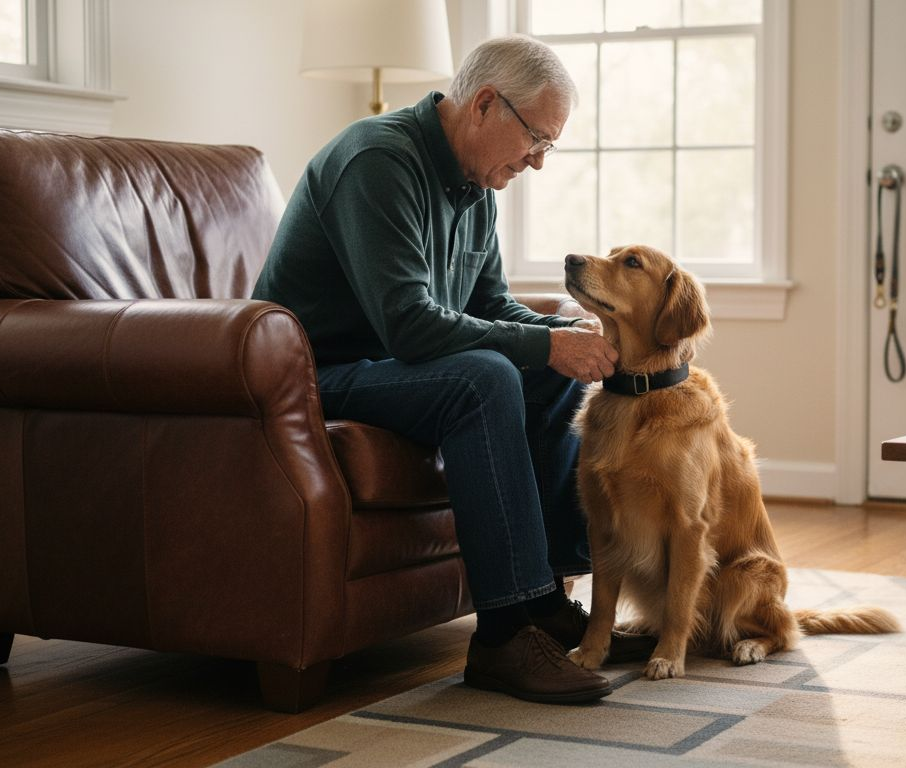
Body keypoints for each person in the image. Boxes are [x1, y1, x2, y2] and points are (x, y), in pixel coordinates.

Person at [252, 35, 652, 704]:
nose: (539, 163)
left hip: (392, 367)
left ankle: (549, 600)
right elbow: (410, 324)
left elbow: (488, 304)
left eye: (549, 147)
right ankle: (502, 634)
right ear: (486, 105)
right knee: (487, 377)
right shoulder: (377, 161)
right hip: (318, 378)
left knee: (552, 363)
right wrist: (547, 345)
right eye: (537, 141)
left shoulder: (475, 185)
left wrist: (564, 335)